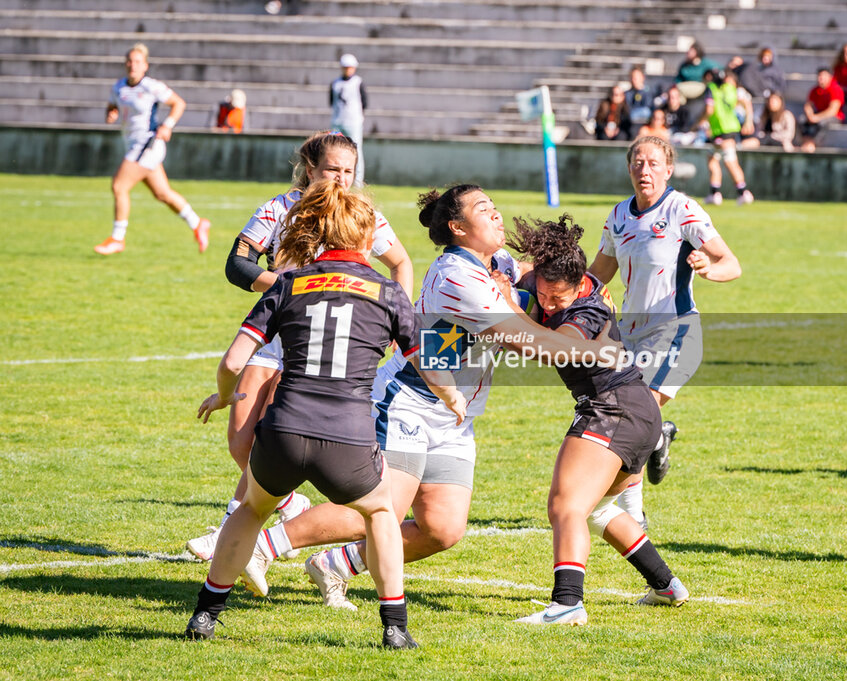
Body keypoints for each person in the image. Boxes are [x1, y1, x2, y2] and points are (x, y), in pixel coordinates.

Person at [235, 185, 624, 607]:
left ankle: (337, 566)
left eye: (493, 206)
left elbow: (531, 273)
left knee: (443, 528)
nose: (496, 215)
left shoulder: (497, 263)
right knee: (377, 508)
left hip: (456, 414)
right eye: (483, 209)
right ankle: (258, 547)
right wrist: (595, 346)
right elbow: (527, 342)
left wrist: (583, 289)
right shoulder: (458, 276)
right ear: (457, 228)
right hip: (411, 401)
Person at [183, 180, 467, 649]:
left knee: (252, 509)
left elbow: (234, 362)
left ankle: (206, 615)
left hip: (285, 432)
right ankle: (394, 627)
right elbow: (428, 361)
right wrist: (452, 396)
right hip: (349, 439)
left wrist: (223, 397)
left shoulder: (288, 283)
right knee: (379, 513)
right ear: (364, 238)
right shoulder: (388, 291)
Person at [185, 131, 414, 562]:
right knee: (240, 440)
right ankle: (290, 504)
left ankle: (234, 532)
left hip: (326, 339)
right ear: (311, 170)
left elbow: (401, 262)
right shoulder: (279, 207)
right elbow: (238, 264)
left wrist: (391, 320)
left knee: (279, 429)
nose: (341, 179)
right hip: (278, 329)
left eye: (349, 171)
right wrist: (293, 288)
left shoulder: (361, 213)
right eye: (332, 169)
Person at [502, 215, 689, 625]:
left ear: (578, 285)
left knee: (565, 505)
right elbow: (520, 273)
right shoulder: (548, 277)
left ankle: (568, 603)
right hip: (638, 414)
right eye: (545, 295)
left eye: (558, 299)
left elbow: (555, 347)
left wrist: (506, 315)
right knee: (599, 510)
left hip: (612, 408)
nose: (550, 304)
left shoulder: (588, 312)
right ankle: (667, 586)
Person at [588, 135, 742, 529]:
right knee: (629, 418)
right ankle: (658, 439)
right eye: (638, 163)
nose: (645, 170)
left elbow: (731, 263)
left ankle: (634, 512)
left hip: (674, 330)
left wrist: (709, 268)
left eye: (654, 163)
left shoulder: (682, 209)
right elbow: (597, 274)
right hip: (629, 335)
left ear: (668, 169)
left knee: (635, 417)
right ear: (629, 169)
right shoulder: (619, 216)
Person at [95, 43, 210, 256]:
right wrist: (110, 113)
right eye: (129, 61)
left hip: (147, 145)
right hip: (133, 145)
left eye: (137, 62)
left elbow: (178, 103)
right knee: (163, 194)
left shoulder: (151, 86)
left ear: (145, 66)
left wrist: (167, 125)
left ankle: (117, 239)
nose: (133, 65)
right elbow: (113, 106)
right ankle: (198, 223)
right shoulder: (118, 87)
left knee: (119, 186)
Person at [698, 69, 754, 206]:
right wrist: (748, 121)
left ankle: (743, 192)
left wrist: (699, 121)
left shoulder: (711, 89)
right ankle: (714, 193)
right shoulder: (730, 88)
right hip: (728, 129)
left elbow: (709, 110)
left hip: (722, 130)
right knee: (712, 158)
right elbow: (746, 102)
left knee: (730, 161)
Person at [330, 54, 367, 185]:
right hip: (337, 121)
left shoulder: (358, 82)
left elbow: (364, 102)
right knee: (333, 149)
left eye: (350, 67)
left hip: (353, 123)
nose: (347, 70)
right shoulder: (335, 83)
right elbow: (332, 102)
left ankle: (357, 181)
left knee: (357, 151)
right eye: (345, 67)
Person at [800, 68, 845, 153]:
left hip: (834, 117)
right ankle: (806, 142)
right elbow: (808, 105)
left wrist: (817, 117)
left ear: (830, 77)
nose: (821, 79)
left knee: (822, 123)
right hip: (818, 115)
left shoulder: (835, 89)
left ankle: (813, 144)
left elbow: (833, 110)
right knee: (802, 120)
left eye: (824, 76)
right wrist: (810, 116)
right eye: (819, 76)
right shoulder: (815, 90)